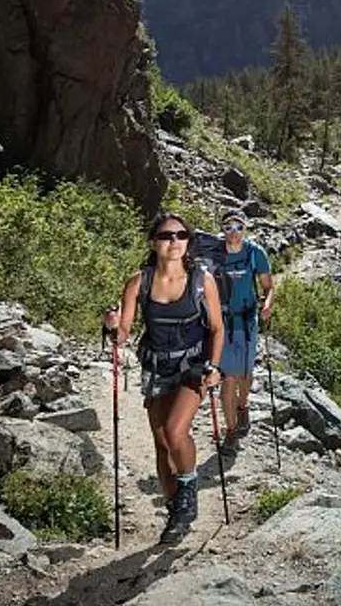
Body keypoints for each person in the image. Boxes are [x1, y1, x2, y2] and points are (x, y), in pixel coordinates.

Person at [105, 213, 226, 545]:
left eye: (180, 235)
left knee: (175, 431)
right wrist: (114, 327)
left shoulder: (203, 280)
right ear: (154, 242)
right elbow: (124, 333)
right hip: (156, 367)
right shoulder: (139, 282)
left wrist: (213, 367)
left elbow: (217, 329)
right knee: (161, 444)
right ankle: (175, 511)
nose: (174, 242)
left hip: (193, 366)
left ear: (188, 241)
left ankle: (188, 489)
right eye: (166, 236)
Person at [212, 215, 273, 438]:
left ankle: (243, 405)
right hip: (223, 323)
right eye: (229, 228)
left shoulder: (255, 252)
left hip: (247, 323)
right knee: (227, 377)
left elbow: (268, 286)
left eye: (239, 227)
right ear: (223, 230)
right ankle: (231, 430)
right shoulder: (216, 254)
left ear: (245, 229)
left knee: (244, 375)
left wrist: (266, 305)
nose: (234, 231)